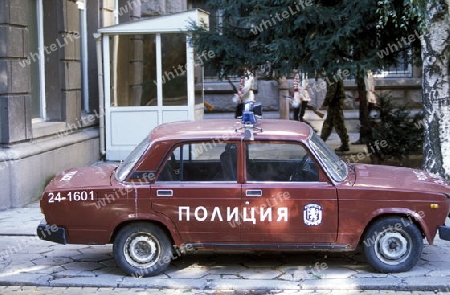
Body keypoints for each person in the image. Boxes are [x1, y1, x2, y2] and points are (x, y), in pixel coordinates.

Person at [320, 71, 350, 152]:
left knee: (338, 123)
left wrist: (325, 103)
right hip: (335, 102)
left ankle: (345, 143)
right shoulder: (335, 73)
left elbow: (331, 91)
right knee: (329, 123)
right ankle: (321, 142)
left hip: (335, 103)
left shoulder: (332, 75)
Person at [353, 69, 377, 144]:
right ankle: (368, 137)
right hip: (371, 98)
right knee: (366, 118)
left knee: (364, 118)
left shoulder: (365, 72)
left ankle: (364, 138)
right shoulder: (370, 72)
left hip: (367, 99)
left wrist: (361, 97)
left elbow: (366, 89)